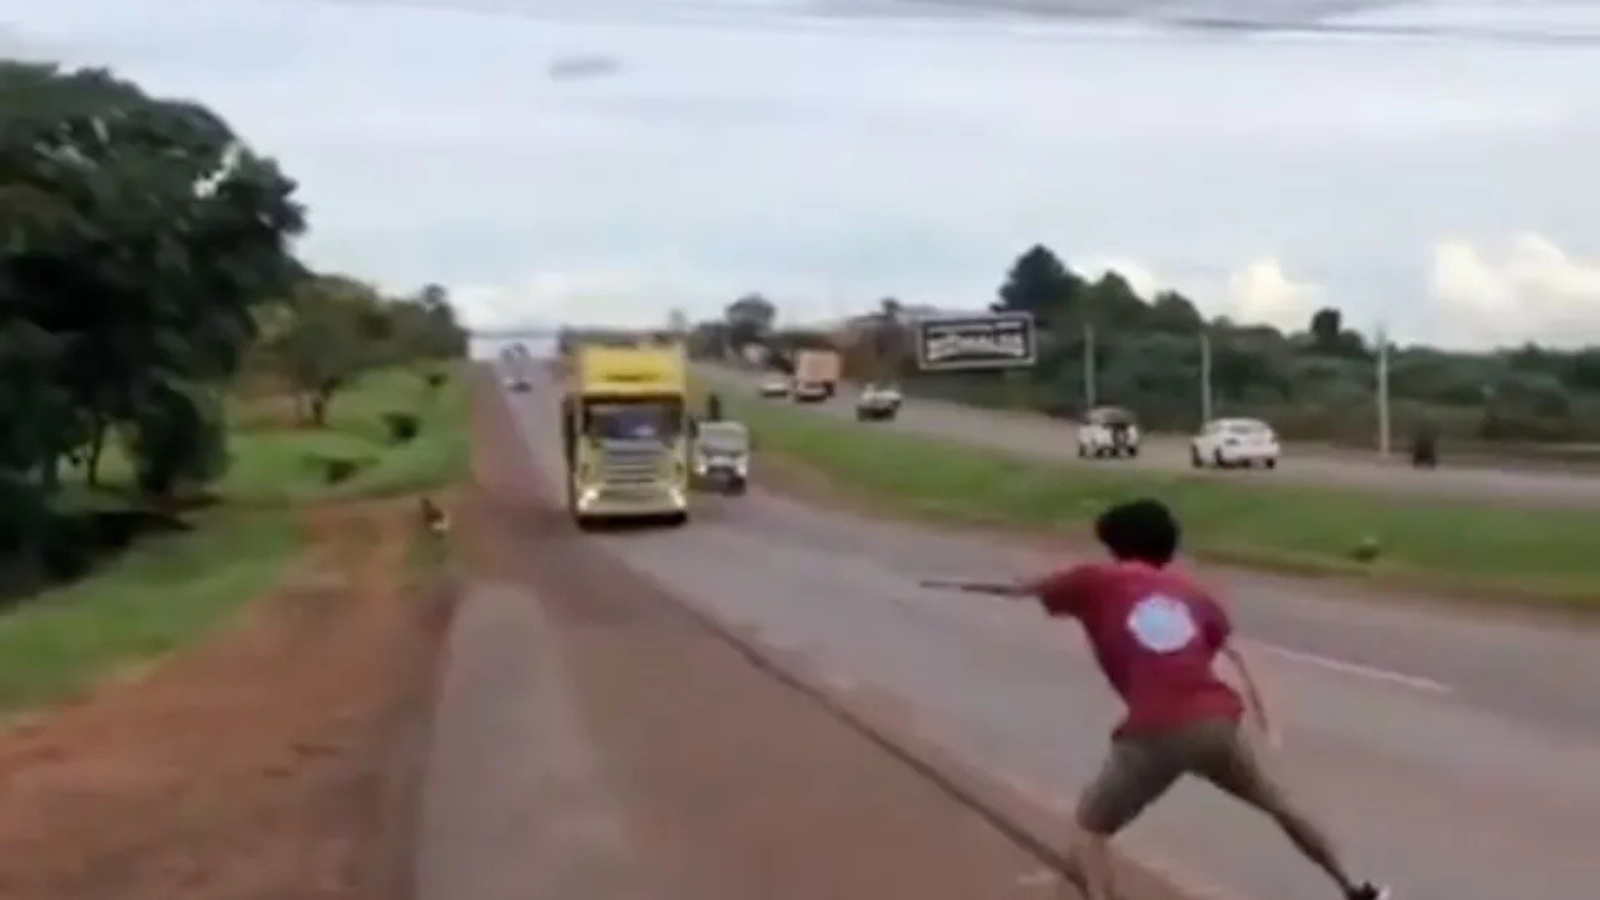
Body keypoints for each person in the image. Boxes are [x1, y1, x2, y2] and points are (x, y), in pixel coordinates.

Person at [920, 498, 1388, 900]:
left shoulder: (1096, 580)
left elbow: (1023, 588)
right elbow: (1238, 656)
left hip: (1153, 729)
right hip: (1217, 721)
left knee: (1090, 830)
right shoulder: (1194, 593)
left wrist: (966, 584)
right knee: (1282, 806)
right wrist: (1267, 722)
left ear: (1115, 544)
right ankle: (1355, 887)